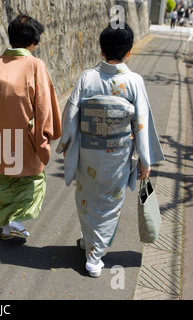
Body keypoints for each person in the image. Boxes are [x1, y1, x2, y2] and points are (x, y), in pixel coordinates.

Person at [56, 24, 164, 277]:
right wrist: (145, 160)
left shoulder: (87, 77)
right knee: (109, 203)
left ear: (102, 50)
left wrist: (67, 144)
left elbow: (71, 114)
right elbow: (141, 123)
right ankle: (94, 257)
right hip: (118, 154)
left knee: (87, 197)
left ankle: (90, 244)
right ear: (128, 52)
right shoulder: (134, 81)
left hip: (88, 153)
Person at [0, 14, 62, 241]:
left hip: (0, 137)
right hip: (26, 137)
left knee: (4, 184)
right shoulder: (35, 65)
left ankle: (7, 227)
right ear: (33, 41)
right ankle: (15, 222)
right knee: (32, 183)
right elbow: (44, 105)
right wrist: (45, 135)